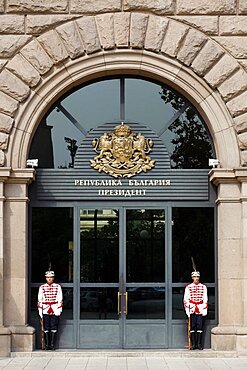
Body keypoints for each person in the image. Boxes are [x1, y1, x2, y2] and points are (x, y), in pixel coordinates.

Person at [37, 270, 63, 350]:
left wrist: (59, 310)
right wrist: (40, 312)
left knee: (54, 327)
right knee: (46, 327)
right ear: (46, 278)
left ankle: (52, 345)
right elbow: (39, 300)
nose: (49, 279)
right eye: (48, 277)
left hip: (55, 309)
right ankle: (47, 345)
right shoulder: (42, 287)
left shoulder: (57, 287)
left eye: (51, 277)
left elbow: (60, 298)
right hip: (45, 309)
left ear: (53, 278)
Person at [184, 270, 208, 350]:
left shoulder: (203, 287)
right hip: (192, 308)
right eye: (194, 277)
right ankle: (193, 344)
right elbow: (186, 299)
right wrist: (187, 310)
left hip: (200, 308)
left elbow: (205, 299)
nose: (196, 278)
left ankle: (199, 344)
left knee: (200, 326)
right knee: (192, 326)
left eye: (197, 277)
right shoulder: (188, 287)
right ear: (192, 277)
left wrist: (204, 309)